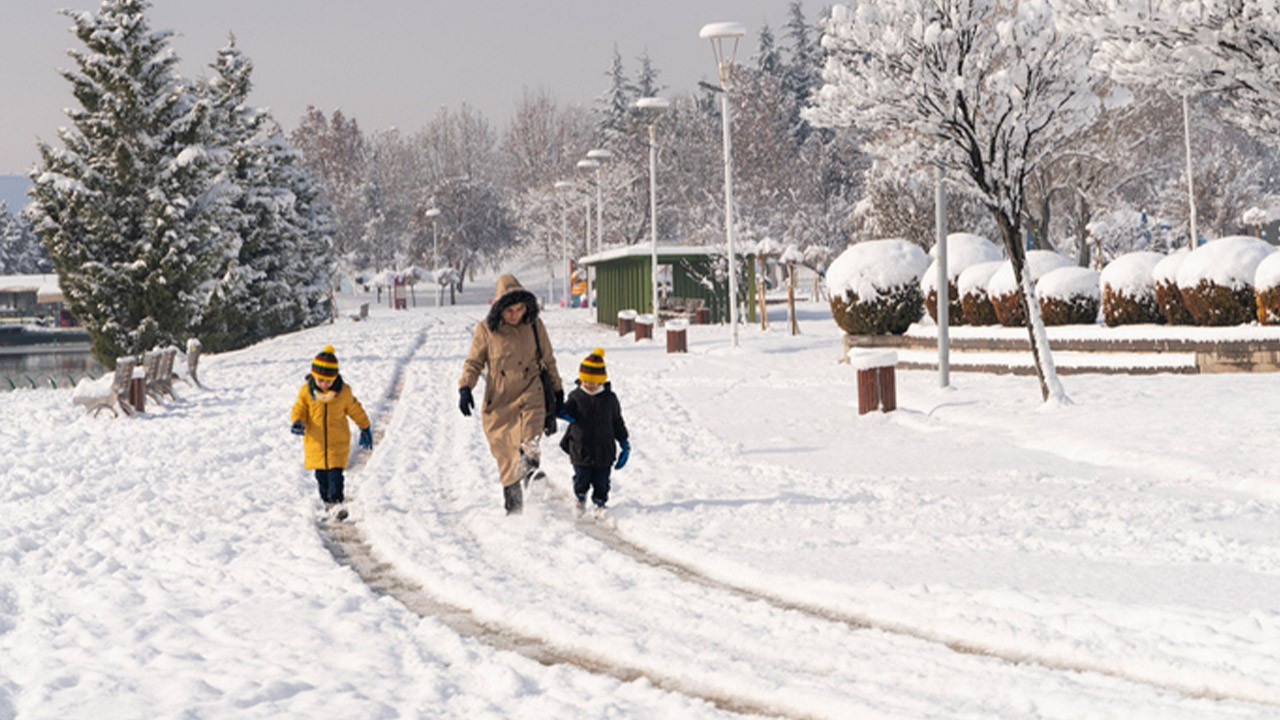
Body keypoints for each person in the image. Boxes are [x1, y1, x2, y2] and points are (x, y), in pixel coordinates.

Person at [458, 274, 564, 515]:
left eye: (520, 309)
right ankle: (515, 512)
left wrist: (558, 391)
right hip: (500, 400)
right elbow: (474, 362)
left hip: (531, 391)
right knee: (506, 458)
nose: (516, 315)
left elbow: (548, 359)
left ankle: (531, 474)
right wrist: (465, 387)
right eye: (510, 311)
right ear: (499, 309)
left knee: (531, 437)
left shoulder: (535, 326)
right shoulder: (485, 330)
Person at [291, 345, 373, 520]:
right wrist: (298, 421)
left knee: (336, 475)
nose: (324, 384)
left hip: (338, 442)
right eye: (320, 380)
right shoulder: (306, 392)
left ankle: (337, 503)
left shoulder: (343, 392)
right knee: (321, 477)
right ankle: (327, 503)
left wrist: (364, 426)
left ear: (335, 378)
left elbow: (355, 409)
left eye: (328, 381)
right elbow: (300, 409)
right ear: (313, 376)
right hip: (316, 443)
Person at [559, 347, 630, 517]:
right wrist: (561, 411)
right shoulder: (576, 396)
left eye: (593, 382)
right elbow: (565, 410)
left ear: (601, 381)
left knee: (602, 481)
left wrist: (624, 442)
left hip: (603, 450)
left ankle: (600, 502)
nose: (589, 386)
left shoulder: (610, 399)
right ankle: (580, 497)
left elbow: (617, 421)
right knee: (581, 478)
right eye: (585, 382)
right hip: (581, 448)